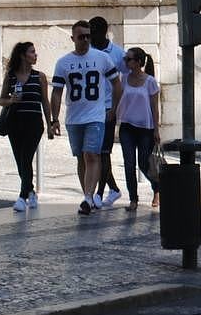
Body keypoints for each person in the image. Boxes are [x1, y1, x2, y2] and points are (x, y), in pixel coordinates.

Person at [50, 19, 124, 215]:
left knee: (92, 154)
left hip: (96, 116)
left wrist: (113, 109)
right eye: (81, 36)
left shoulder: (101, 58)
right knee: (81, 158)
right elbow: (57, 92)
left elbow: (117, 83)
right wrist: (54, 118)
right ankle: (87, 196)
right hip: (74, 118)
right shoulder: (63, 62)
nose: (85, 40)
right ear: (72, 38)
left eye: (88, 36)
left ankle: (89, 196)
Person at [0, 41, 54, 211]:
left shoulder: (40, 77)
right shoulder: (11, 76)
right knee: (20, 161)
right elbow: (2, 100)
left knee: (26, 159)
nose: (35, 55)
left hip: (34, 124)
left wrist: (50, 123)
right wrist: (12, 100)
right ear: (23, 55)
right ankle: (30, 192)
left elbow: (45, 101)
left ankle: (22, 197)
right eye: (32, 52)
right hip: (15, 122)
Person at [88, 15, 126, 207]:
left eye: (91, 33)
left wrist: (119, 107)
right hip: (91, 109)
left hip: (109, 109)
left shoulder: (118, 54)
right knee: (95, 152)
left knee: (104, 152)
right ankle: (113, 189)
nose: (89, 37)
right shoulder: (88, 53)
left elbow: (127, 77)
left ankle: (100, 193)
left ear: (102, 32)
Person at [117, 47, 161, 208]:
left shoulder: (150, 81)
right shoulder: (124, 78)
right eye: (125, 59)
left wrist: (156, 129)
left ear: (138, 62)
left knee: (144, 163)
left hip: (145, 129)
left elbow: (155, 108)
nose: (125, 62)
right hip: (127, 126)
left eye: (128, 59)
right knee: (129, 163)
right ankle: (133, 199)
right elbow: (119, 99)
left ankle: (157, 188)